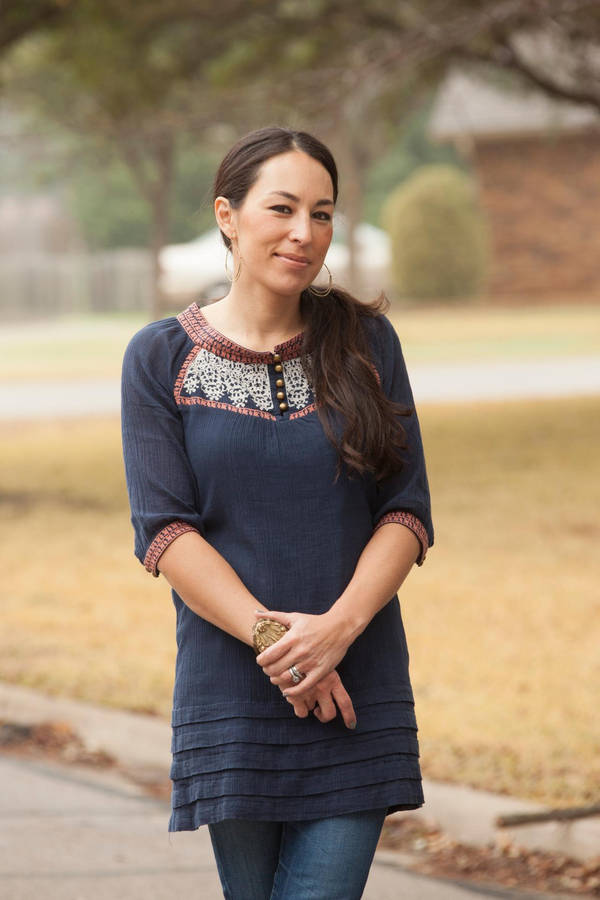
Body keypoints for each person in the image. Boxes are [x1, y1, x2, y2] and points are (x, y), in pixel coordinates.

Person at [121, 124, 433, 900]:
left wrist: (336, 633)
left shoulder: (368, 343)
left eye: (323, 214)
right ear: (227, 214)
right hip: (235, 693)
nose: (305, 233)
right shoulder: (160, 358)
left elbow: (406, 513)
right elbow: (165, 532)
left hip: (355, 689)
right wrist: (283, 646)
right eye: (283, 208)